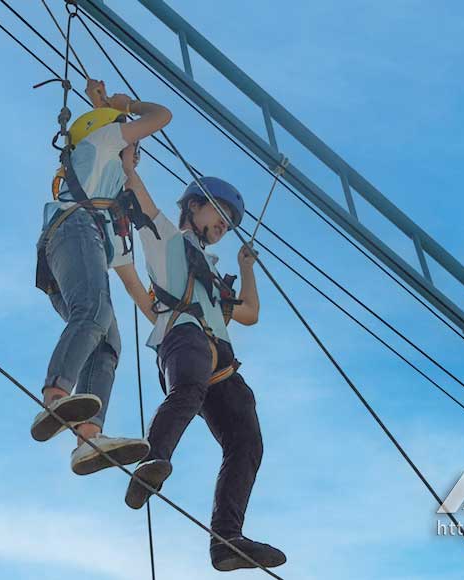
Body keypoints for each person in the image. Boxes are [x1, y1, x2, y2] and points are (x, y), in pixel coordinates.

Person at [117, 148, 287, 572]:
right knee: (188, 389)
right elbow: (140, 198)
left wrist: (246, 267)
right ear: (193, 205)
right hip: (184, 339)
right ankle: (151, 461)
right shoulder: (168, 244)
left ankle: (226, 540)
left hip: (220, 361)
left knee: (247, 441)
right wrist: (127, 164)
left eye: (228, 225)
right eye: (219, 216)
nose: (223, 227)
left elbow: (249, 313)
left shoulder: (213, 279)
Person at [31, 78, 170, 477]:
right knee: (92, 311)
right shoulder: (102, 142)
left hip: (71, 255)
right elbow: (162, 116)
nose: (137, 154)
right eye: (135, 146)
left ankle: (88, 438)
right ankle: (57, 394)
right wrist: (125, 103)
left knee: (108, 340)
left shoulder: (113, 218)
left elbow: (131, 284)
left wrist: (168, 328)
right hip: (73, 232)